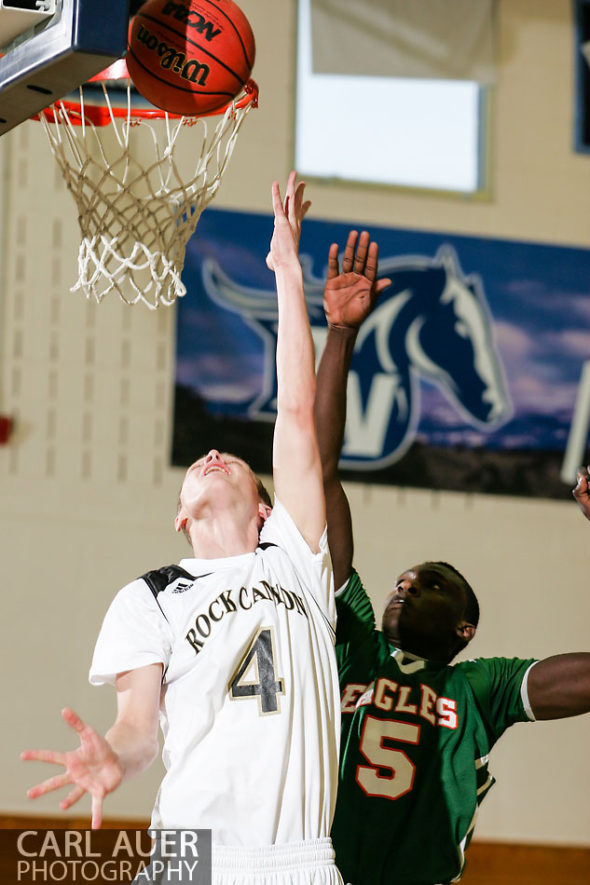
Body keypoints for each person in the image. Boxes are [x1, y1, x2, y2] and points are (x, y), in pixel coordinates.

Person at [22, 172, 344, 885]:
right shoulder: (150, 595)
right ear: (179, 515)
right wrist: (115, 756)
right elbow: (140, 724)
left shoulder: (294, 558)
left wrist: (288, 270)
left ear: (267, 508)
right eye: (199, 463)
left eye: (231, 458)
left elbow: (295, 413)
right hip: (189, 856)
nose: (211, 455)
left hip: (296, 861)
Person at [314, 230, 590, 885]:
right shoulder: (354, 640)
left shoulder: (479, 688)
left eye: (430, 584)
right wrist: (340, 336)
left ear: (465, 628)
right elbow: (321, 472)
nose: (406, 586)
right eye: (404, 581)